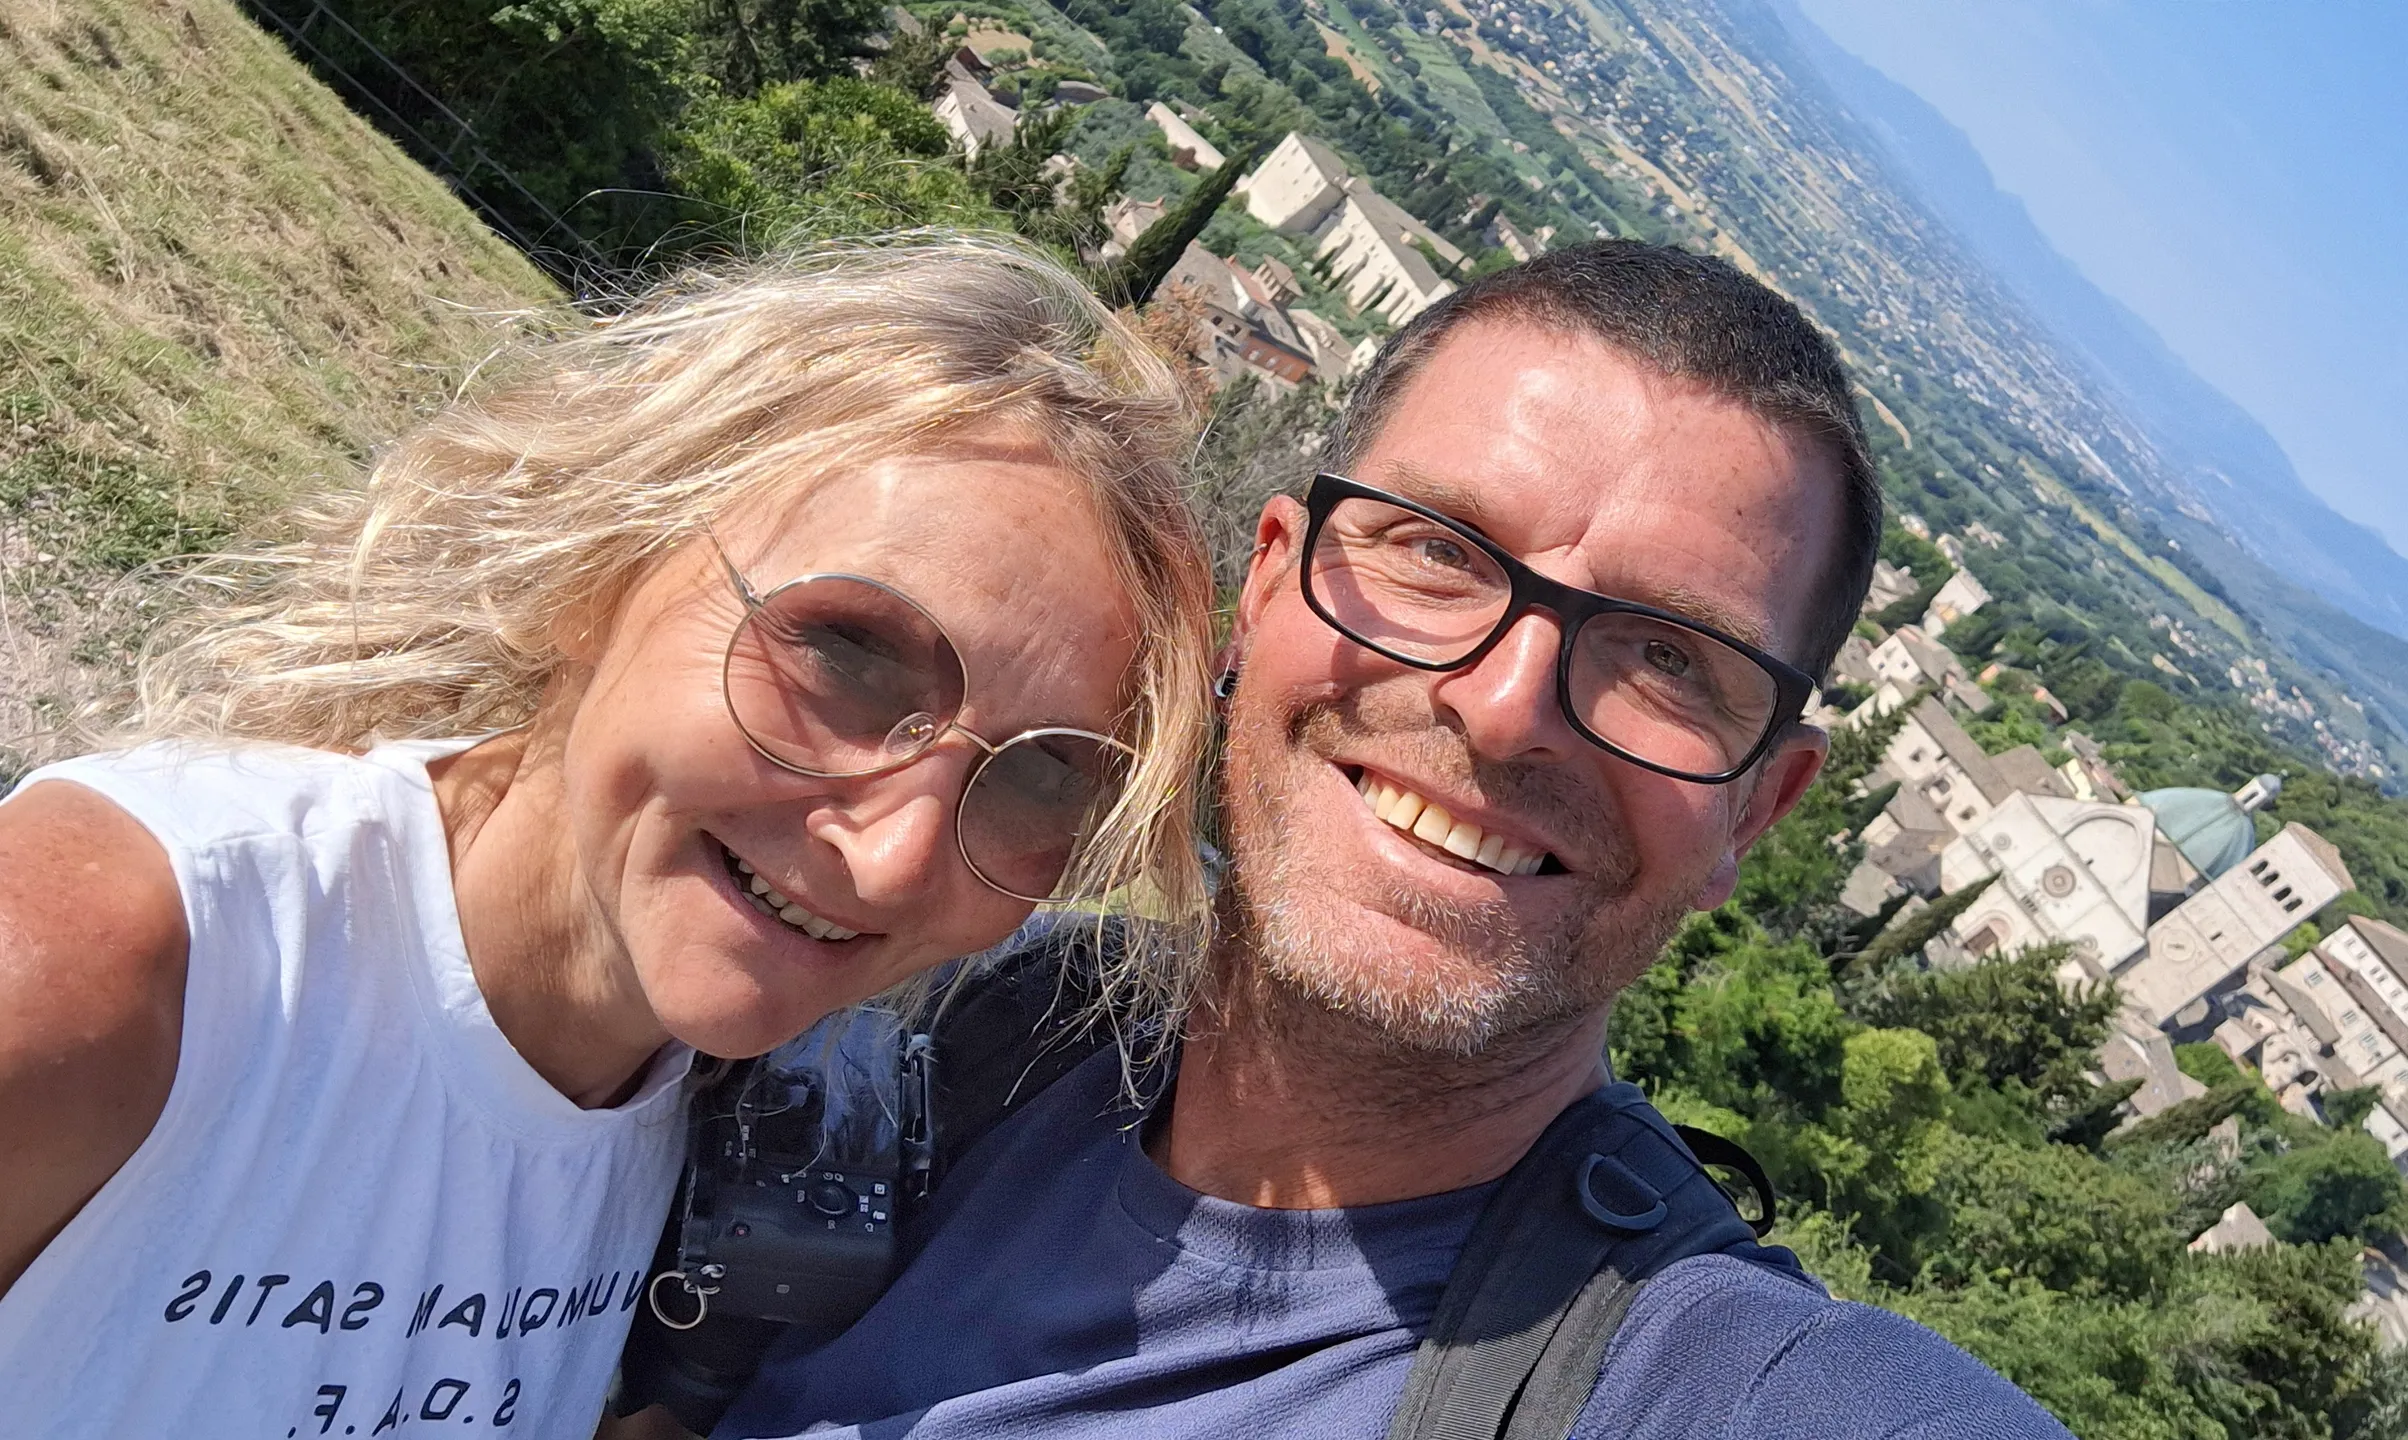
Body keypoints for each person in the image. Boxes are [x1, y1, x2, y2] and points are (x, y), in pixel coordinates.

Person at [713, 241, 2074, 1439]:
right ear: (1266, 586)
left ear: (1755, 809)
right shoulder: (938, 1020)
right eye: (1438, 552)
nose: (1503, 707)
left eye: (1667, 657)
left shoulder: (1705, 1385)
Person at [0, 236, 1216, 1439]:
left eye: (1043, 773)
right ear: (608, 563)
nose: (893, 858)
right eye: (847, 652)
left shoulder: (742, 1138)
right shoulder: (107, 969)